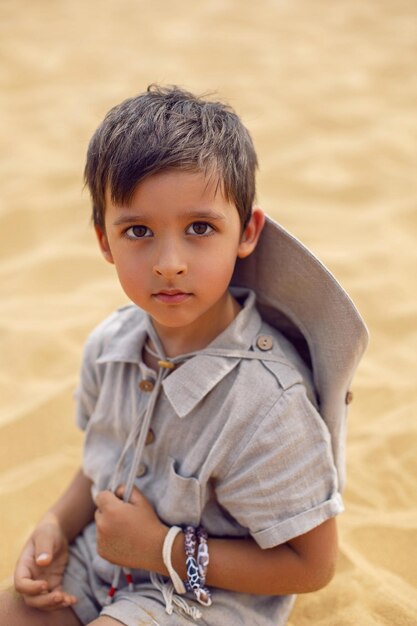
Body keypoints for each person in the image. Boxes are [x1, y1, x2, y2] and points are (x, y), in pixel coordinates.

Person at [0, 85, 368, 626]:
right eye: (139, 231)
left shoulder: (268, 403)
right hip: (100, 563)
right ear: (105, 241)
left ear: (246, 232)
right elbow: (99, 462)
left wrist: (163, 551)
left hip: (206, 594)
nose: (169, 262)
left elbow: (312, 566)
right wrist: (56, 523)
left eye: (200, 228)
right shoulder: (110, 346)